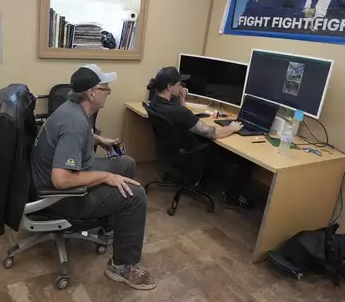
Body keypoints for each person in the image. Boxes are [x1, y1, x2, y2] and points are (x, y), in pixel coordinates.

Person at [31, 64, 157, 290]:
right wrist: (105, 176)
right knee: (136, 195)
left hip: (71, 175)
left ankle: (107, 226)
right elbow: (60, 179)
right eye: (106, 88)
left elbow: (77, 137)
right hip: (62, 196)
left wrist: (99, 140)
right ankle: (121, 266)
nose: (108, 92)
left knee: (126, 163)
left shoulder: (74, 108)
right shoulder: (74, 123)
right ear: (91, 93)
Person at [147, 67, 254, 208]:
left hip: (171, 150)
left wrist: (181, 99)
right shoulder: (178, 112)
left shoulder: (154, 103)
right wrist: (231, 128)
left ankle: (203, 181)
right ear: (169, 87)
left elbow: (183, 117)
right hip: (190, 153)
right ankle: (232, 198)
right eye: (179, 84)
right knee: (244, 160)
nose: (182, 87)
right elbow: (211, 132)